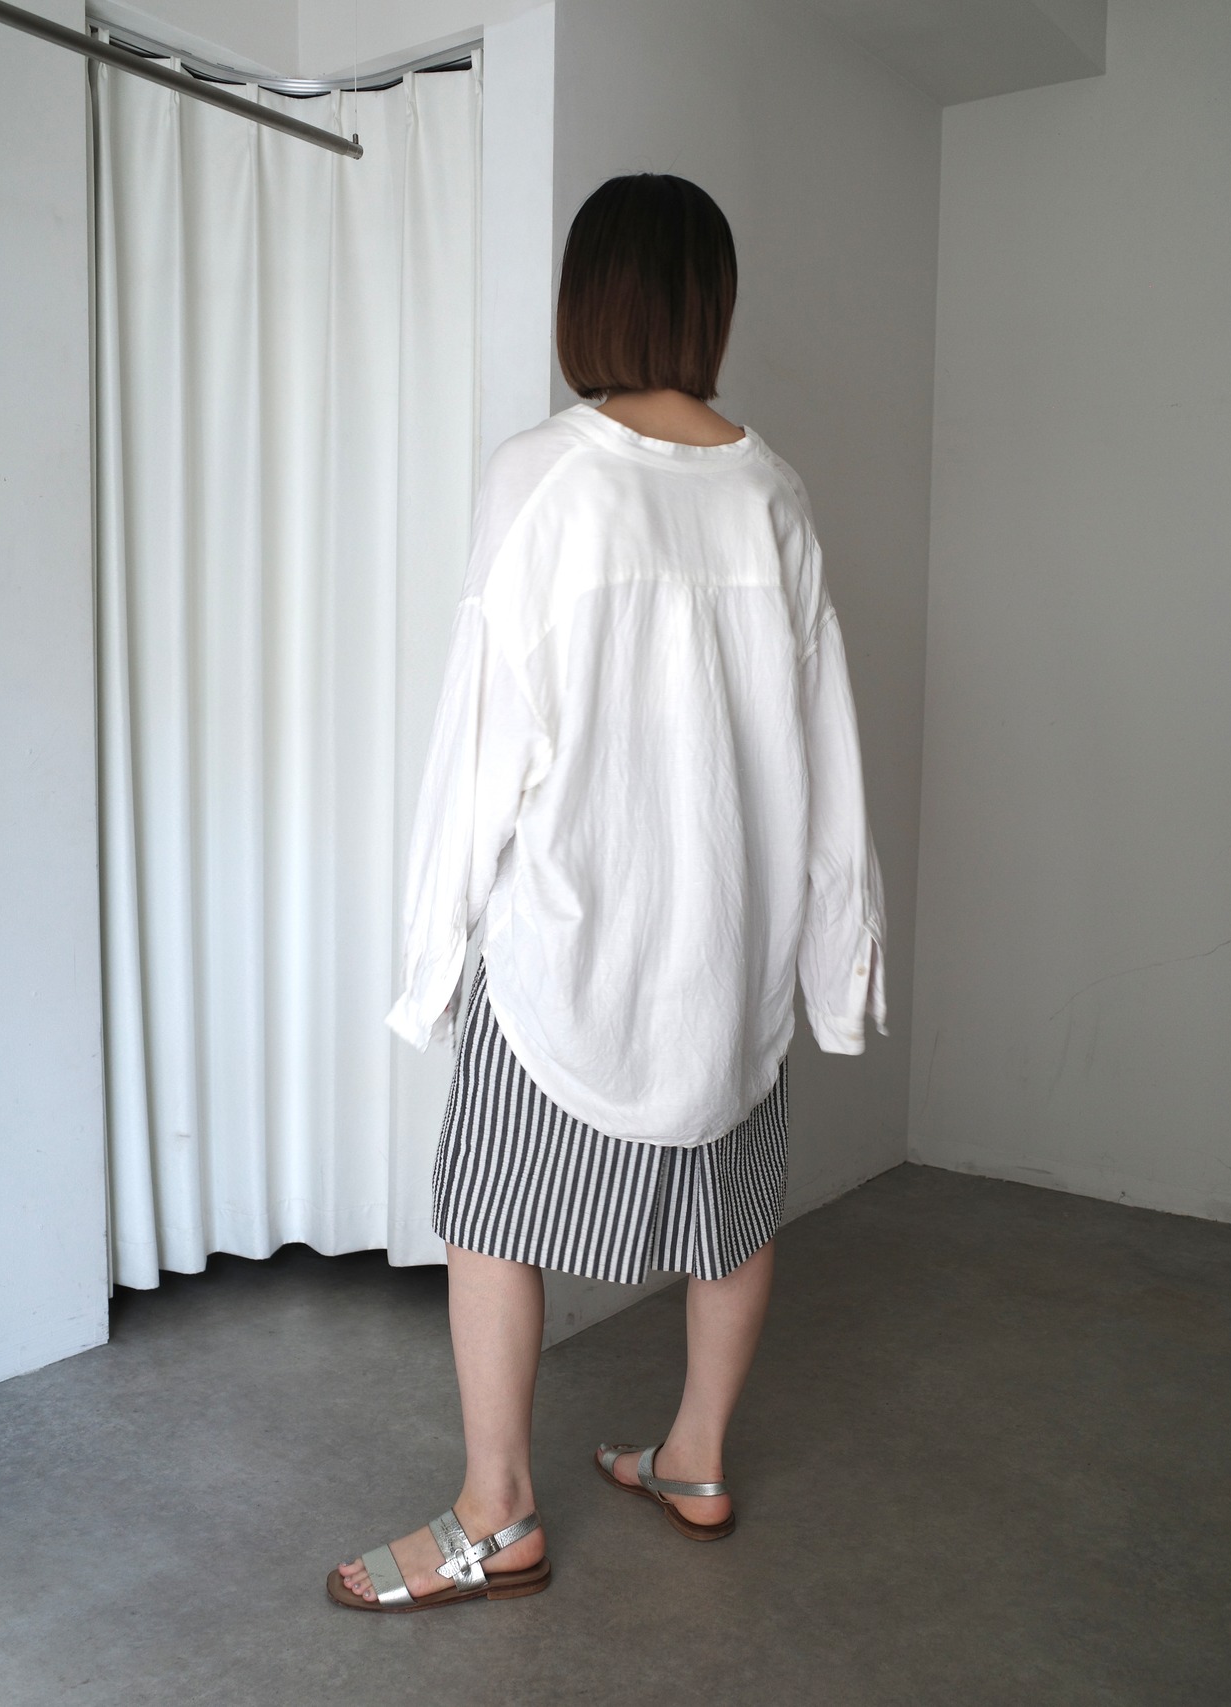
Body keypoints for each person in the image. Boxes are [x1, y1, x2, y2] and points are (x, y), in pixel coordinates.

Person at [326, 172, 887, 1613]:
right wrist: (834, 964)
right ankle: (694, 1459)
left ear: (586, 300)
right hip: (733, 947)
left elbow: (480, 738)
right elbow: (827, 752)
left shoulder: (544, 474)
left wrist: (431, 957)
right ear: (710, 304)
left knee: (490, 1214)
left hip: (573, 936)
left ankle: (496, 1513)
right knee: (732, 1214)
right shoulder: (774, 493)